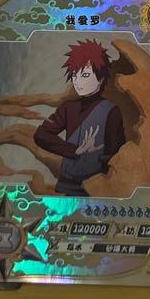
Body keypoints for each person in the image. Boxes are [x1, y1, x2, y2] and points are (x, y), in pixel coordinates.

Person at [33, 39, 126, 196]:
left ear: (101, 78)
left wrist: (98, 158)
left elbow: (117, 154)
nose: (78, 81)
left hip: (97, 187)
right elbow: (41, 135)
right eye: (75, 75)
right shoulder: (68, 108)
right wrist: (74, 150)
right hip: (66, 185)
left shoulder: (111, 111)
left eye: (85, 75)